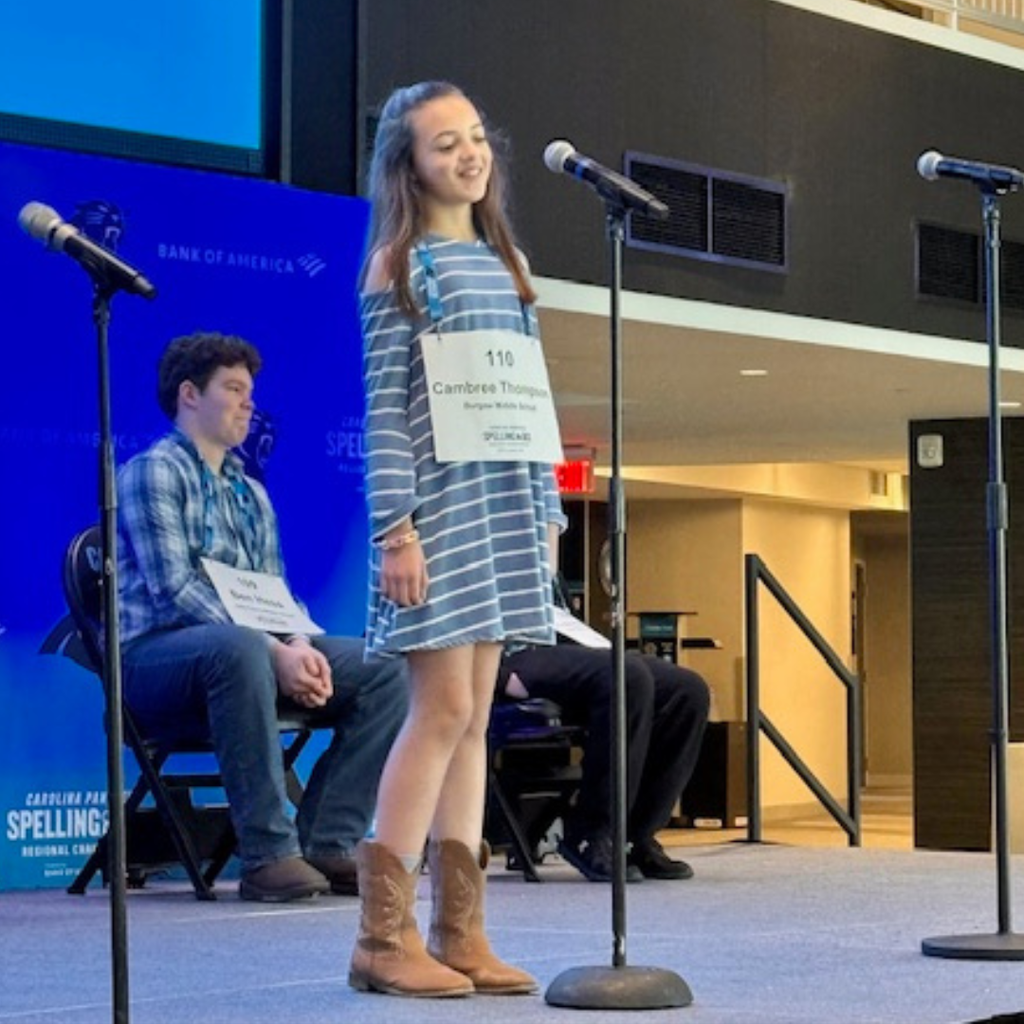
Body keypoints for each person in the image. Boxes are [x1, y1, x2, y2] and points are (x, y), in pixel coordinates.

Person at [352, 81, 566, 998]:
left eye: (477, 137)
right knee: (438, 712)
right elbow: (387, 415)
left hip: (503, 512)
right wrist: (395, 530)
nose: (469, 155)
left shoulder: (505, 264)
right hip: (436, 518)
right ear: (409, 166)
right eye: (446, 144)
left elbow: (532, 408)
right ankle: (381, 938)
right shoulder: (401, 265)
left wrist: (549, 516)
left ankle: (459, 930)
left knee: (476, 719)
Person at [117, 331, 408, 903]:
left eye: (250, 391)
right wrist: (274, 651)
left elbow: (272, 592)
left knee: (386, 667)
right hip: (154, 658)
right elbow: (174, 589)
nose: (249, 402)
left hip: (245, 655)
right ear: (189, 395)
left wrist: (298, 644)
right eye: (233, 388)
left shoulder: (252, 493)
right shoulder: (152, 472)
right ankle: (268, 855)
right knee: (240, 649)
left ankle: (327, 840)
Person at [498, 632, 710, 883]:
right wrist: (499, 678)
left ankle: (634, 835)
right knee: (627, 676)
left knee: (688, 689)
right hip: (508, 652)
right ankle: (591, 830)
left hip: (562, 640)